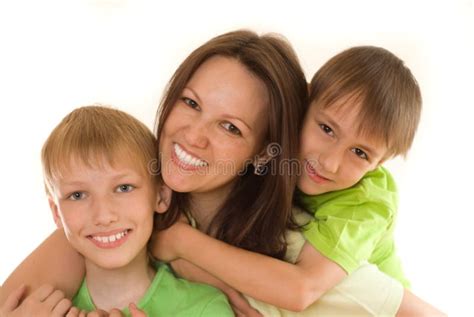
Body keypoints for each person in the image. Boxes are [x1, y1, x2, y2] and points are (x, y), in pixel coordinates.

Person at [0, 30, 422, 316]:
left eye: (230, 127)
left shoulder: (303, 253)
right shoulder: (126, 204)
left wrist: (181, 244)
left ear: (265, 152)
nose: (193, 137)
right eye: (191, 103)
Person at [150, 44, 445, 316]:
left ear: (379, 163)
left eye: (360, 153)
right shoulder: (280, 165)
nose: (329, 162)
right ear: (305, 103)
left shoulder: (362, 205)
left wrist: (179, 241)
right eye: (327, 129)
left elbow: (301, 289)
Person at [2, 105, 233, 316]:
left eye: (124, 188)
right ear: (56, 212)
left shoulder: (205, 308)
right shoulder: (34, 310)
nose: (103, 216)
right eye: (78, 195)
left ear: (161, 196)